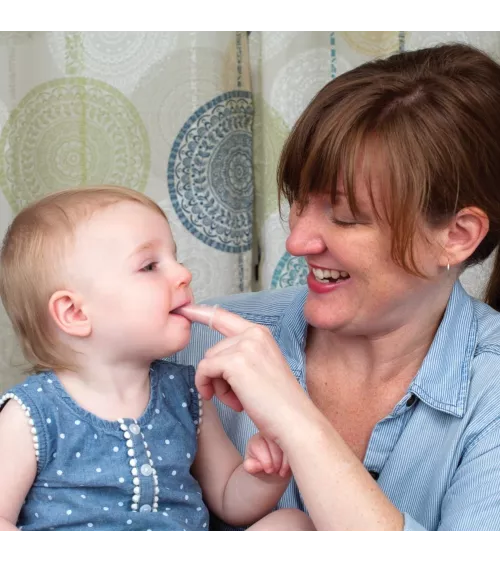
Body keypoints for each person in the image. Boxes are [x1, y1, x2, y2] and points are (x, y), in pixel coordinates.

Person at [172, 43, 500, 533]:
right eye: (299, 201)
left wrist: (293, 418)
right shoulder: (192, 344)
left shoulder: (488, 390)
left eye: (346, 218)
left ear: (456, 237)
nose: (297, 240)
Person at [0, 185, 314, 533]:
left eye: (176, 259)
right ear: (74, 312)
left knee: (291, 524)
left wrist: (263, 475)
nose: (183, 274)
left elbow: (228, 499)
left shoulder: (186, 393)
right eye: (150, 266)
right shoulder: (31, 415)